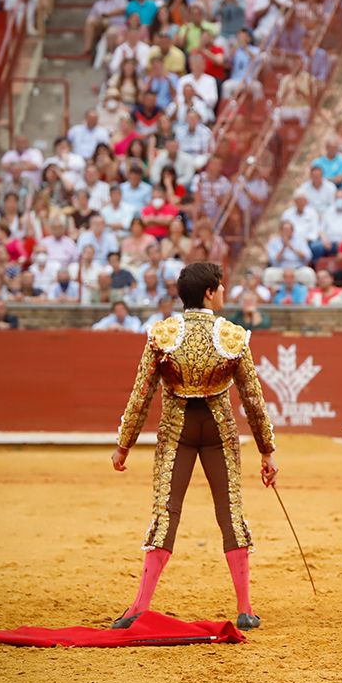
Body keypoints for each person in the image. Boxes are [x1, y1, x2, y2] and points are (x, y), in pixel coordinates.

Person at [110, 263, 278, 632]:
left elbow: (141, 395)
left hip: (177, 431)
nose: (223, 293)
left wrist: (124, 445)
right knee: (231, 512)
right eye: (221, 287)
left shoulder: (163, 334)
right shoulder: (232, 336)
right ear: (208, 292)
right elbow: (253, 398)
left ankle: (139, 606)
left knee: (165, 513)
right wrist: (267, 450)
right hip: (218, 431)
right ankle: (246, 608)